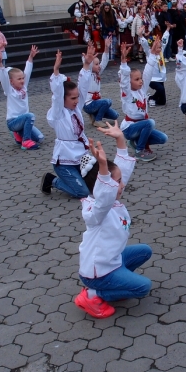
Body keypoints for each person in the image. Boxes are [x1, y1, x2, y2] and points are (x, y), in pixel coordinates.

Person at [74, 125, 151, 319]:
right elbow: (104, 192)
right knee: (143, 287)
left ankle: (118, 283)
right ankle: (93, 294)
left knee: (144, 251)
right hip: (98, 271)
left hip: (112, 260)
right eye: (116, 182)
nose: (122, 184)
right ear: (102, 186)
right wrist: (103, 169)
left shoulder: (110, 198)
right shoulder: (98, 210)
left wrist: (120, 140)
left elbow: (120, 170)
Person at [40, 50, 94, 199]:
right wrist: (56, 71)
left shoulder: (76, 108)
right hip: (64, 161)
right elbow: (57, 94)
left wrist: (87, 64)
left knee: (94, 185)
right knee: (82, 192)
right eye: (72, 98)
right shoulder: (58, 112)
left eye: (77, 97)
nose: (76, 101)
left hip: (81, 156)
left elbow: (83, 87)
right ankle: (52, 180)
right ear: (63, 99)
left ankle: (75, 179)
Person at [119, 40, 168, 162]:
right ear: (130, 82)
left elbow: (148, 72)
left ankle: (136, 141)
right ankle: (139, 151)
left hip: (141, 126)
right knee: (150, 122)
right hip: (129, 128)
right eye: (137, 79)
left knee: (163, 138)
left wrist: (152, 54)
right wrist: (124, 62)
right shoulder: (127, 93)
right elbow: (124, 81)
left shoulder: (142, 89)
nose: (141, 81)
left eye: (140, 79)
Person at [0, 45, 43, 150]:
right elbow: (3, 77)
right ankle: (26, 141)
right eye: (19, 79)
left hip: (23, 121)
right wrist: (0, 65)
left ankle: (18, 135)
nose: (22, 80)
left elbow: (28, 71)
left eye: (22, 78)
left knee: (40, 138)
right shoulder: (9, 90)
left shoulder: (24, 87)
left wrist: (31, 57)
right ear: (11, 81)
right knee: (30, 116)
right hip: (13, 122)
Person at [80, 38, 119, 128]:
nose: (99, 66)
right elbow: (87, 63)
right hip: (88, 104)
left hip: (96, 102)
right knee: (107, 102)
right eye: (96, 64)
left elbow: (104, 61)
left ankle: (94, 115)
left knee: (115, 115)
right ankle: (97, 120)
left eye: (98, 64)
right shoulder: (88, 73)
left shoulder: (97, 73)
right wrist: (89, 52)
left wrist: (106, 47)